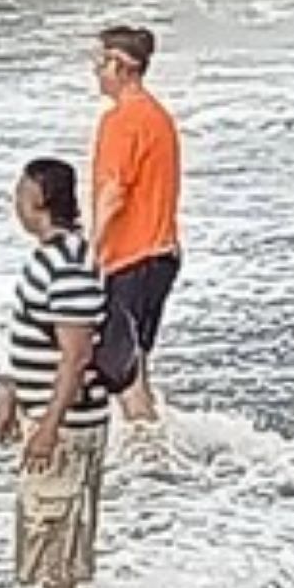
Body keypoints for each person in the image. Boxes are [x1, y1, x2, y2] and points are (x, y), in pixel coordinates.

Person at [0, 158, 110, 588]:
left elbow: (76, 355)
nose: (15, 203)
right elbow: (35, 338)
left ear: (39, 199)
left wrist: (48, 426)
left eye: (20, 193)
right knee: (52, 534)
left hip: (67, 424)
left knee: (53, 535)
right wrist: (11, 393)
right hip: (53, 415)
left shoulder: (68, 265)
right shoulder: (58, 258)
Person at [90, 24, 183, 422]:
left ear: (122, 66)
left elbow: (114, 191)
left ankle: (151, 463)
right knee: (138, 361)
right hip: (162, 255)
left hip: (133, 257)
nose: (96, 71)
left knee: (123, 373)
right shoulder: (157, 116)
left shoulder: (122, 120)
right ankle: (153, 448)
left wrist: (90, 253)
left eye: (101, 62)